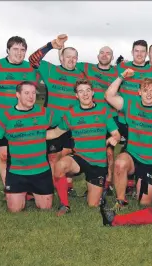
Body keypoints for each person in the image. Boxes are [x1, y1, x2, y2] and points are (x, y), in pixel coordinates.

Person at [46, 79, 120, 216]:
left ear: (92, 93)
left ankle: (99, 190)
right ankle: (64, 205)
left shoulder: (103, 110)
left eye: (87, 91)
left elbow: (117, 134)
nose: (85, 94)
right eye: (81, 91)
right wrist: (34, 133)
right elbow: (55, 132)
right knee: (60, 165)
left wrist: (114, 138)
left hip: (98, 162)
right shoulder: (71, 114)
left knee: (92, 205)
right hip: (80, 157)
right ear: (76, 95)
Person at [0, 81, 57, 212]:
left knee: (46, 208)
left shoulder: (45, 113)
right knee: (14, 210)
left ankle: (32, 192)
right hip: (17, 172)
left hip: (41, 172)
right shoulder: (5, 116)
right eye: (26, 93)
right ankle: (23, 192)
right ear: (17, 95)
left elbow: (66, 121)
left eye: (33, 93)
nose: (31, 96)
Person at [105, 70, 152, 209]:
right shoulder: (130, 105)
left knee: (144, 203)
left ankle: (138, 184)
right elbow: (109, 95)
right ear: (139, 92)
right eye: (145, 90)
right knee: (120, 163)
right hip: (132, 156)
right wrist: (121, 76)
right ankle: (120, 201)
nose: (149, 94)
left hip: (150, 161)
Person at [28, 34, 85, 188]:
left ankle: (67, 186)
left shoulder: (81, 76)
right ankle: (53, 188)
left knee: (67, 155)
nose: (71, 60)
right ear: (61, 58)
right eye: (68, 57)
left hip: (73, 124)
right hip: (52, 123)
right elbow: (33, 60)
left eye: (74, 57)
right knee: (53, 157)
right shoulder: (51, 70)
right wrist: (50, 46)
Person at [115, 40, 152, 195]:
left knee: (146, 148)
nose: (139, 54)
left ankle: (142, 181)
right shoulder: (122, 67)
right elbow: (110, 87)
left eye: (142, 51)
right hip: (125, 119)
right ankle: (121, 185)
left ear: (146, 54)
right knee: (124, 153)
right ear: (132, 52)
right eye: (136, 51)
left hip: (146, 119)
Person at [0, 36, 38, 192]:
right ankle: (8, 188)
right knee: (3, 154)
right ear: (8, 50)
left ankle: (28, 186)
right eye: (15, 49)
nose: (19, 53)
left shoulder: (29, 68)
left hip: (25, 118)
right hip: (2, 119)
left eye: (23, 49)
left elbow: (32, 93)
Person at [76, 46, 119, 195]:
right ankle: (82, 182)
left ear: (112, 58)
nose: (105, 55)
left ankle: (108, 183)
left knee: (108, 152)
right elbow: (68, 62)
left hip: (109, 116)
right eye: (102, 52)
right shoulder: (87, 67)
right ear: (97, 55)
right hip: (88, 115)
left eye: (108, 53)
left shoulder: (117, 71)